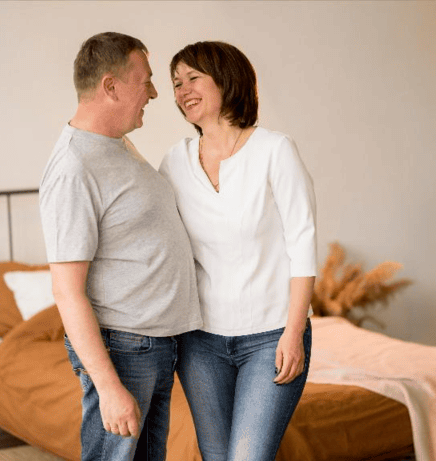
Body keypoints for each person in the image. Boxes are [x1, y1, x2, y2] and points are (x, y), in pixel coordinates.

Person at [40, 32, 202, 461]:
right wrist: (110, 388)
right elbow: (66, 290)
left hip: (155, 344)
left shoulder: (114, 145)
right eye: (145, 80)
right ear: (111, 86)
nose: (153, 92)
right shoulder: (74, 168)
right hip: (126, 348)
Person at [158, 41, 317, 461]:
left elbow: (303, 243)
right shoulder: (173, 163)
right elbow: (159, 241)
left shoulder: (274, 151)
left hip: (270, 336)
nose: (182, 90)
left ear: (227, 79)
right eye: (176, 83)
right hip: (200, 341)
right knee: (215, 455)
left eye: (193, 78)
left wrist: (294, 332)